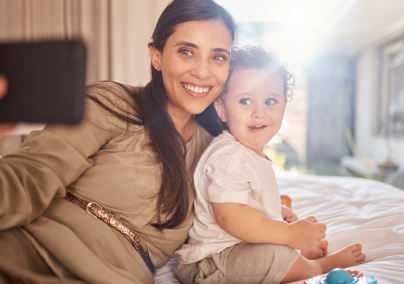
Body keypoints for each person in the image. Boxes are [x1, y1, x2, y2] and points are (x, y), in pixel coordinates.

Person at [0, 0, 235, 283]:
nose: (202, 71)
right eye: (186, 51)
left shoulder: (215, 152)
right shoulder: (111, 103)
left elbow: (227, 220)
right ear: (157, 56)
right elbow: (29, 176)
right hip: (28, 253)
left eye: (218, 57)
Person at [174, 47, 366, 284]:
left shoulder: (247, 153)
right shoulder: (228, 156)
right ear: (222, 108)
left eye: (270, 101)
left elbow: (247, 202)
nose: (259, 112)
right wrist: (289, 234)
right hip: (211, 264)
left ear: (284, 105)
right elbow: (230, 217)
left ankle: (296, 257)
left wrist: (275, 213)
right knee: (272, 255)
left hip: (236, 251)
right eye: (245, 101)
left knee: (275, 245)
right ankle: (319, 266)